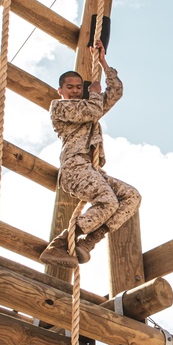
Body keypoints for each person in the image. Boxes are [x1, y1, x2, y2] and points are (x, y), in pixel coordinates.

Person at [40, 40, 141, 268]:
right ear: (61, 91)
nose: (75, 91)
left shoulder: (89, 106)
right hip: (75, 167)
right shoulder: (60, 107)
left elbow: (115, 93)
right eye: (70, 88)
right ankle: (60, 243)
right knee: (107, 201)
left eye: (78, 87)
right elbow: (93, 109)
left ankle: (89, 241)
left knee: (131, 197)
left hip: (92, 168)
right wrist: (94, 94)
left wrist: (104, 63)